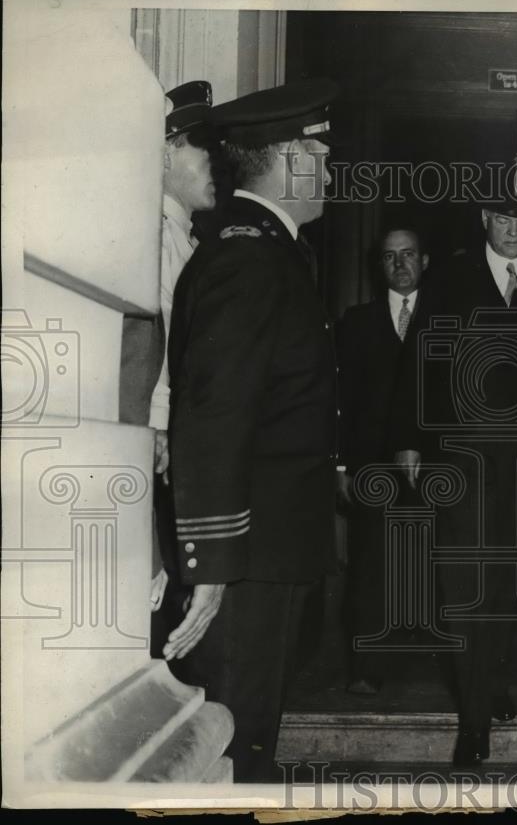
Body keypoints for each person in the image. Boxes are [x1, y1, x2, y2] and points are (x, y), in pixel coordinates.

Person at [163, 78, 340, 781]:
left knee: (252, 741)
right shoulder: (248, 256)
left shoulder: (273, 249)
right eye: (321, 157)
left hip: (273, 549)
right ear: (292, 158)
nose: (329, 171)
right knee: (233, 746)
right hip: (248, 557)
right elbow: (214, 410)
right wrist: (211, 563)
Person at [393, 160, 517, 766]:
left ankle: (491, 675)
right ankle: (473, 720)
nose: (512, 231)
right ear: (485, 219)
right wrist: (409, 440)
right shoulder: (449, 277)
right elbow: (418, 365)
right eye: (503, 218)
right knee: (465, 584)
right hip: (462, 455)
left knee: (508, 584)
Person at [336, 224, 438, 695]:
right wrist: (342, 466)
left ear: (425, 261)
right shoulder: (356, 323)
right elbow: (340, 400)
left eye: (409, 254)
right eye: (390, 257)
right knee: (371, 565)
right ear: (379, 266)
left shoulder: (446, 319)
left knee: (433, 561)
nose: (400, 265)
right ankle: (365, 667)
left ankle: (436, 661)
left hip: (435, 464)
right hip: (373, 465)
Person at [147, 80, 217, 613]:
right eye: (202, 146)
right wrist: (161, 427)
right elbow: (156, 341)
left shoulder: (185, 239)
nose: (214, 159)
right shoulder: (155, 236)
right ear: (168, 152)